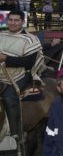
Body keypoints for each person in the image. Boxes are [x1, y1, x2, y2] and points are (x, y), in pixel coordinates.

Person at [0, 10, 42, 155]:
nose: (12, 23)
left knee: (9, 98)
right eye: (10, 20)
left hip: (20, 75)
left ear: (22, 21)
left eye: (16, 20)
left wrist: (5, 58)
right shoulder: (1, 35)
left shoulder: (30, 39)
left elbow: (29, 62)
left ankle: (15, 135)